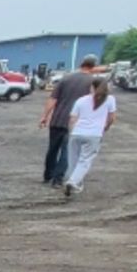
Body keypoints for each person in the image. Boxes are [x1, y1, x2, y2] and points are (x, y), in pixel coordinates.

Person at [38, 55, 99, 187]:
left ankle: (48, 175)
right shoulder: (93, 83)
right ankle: (57, 179)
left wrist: (44, 116)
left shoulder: (66, 78)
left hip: (57, 119)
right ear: (93, 66)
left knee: (52, 149)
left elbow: (52, 99)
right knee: (67, 151)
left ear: (81, 64)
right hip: (75, 122)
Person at [62, 76, 117, 198]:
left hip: (77, 132)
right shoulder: (110, 100)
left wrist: (72, 131)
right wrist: (105, 127)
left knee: (73, 159)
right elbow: (111, 117)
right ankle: (73, 182)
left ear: (92, 87)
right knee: (85, 160)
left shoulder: (81, 100)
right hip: (94, 134)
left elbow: (73, 118)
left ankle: (72, 181)